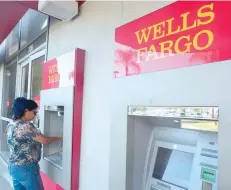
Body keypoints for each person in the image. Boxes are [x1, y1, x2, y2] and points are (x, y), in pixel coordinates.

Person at [7, 97, 62, 190]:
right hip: (26, 168)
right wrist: (61, 137)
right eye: (34, 112)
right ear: (26, 111)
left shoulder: (11, 124)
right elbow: (45, 140)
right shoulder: (26, 126)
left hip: (14, 167)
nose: (35, 115)